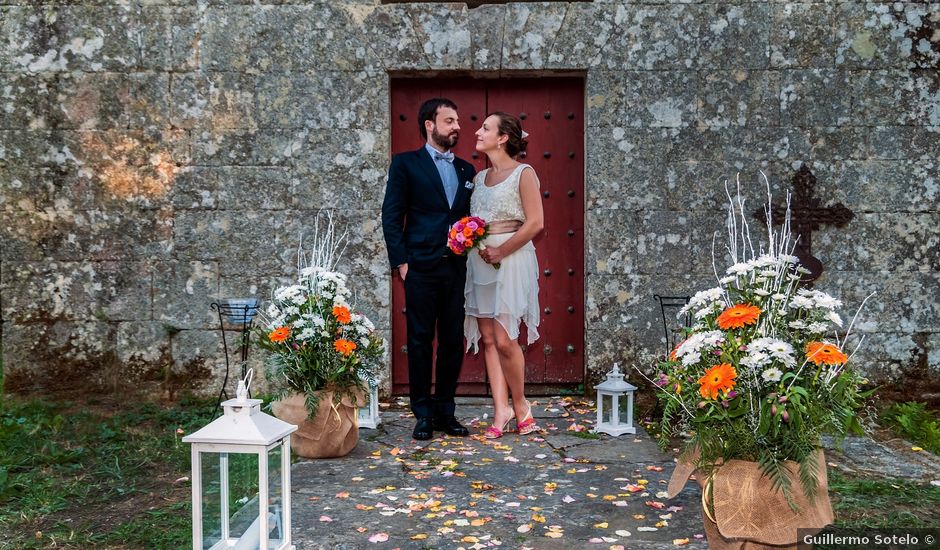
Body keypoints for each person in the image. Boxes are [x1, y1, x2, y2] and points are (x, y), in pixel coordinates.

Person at [382, 98, 477, 440]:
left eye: (457, 121)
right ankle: (421, 414)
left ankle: (445, 413)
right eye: (449, 120)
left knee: (452, 341)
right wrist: (402, 263)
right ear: (429, 124)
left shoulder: (467, 170)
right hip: (419, 268)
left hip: (455, 269)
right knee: (420, 341)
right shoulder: (406, 164)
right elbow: (391, 216)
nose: (457, 127)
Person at [464, 112, 544, 438]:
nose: (477, 131)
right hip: (480, 259)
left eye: (485, 128)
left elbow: (536, 222)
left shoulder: (524, 173)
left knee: (504, 338)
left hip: (511, 258)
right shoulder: (479, 178)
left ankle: (521, 403)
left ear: (502, 138)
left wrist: (501, 250)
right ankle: (501, 411)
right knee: (487, 339)